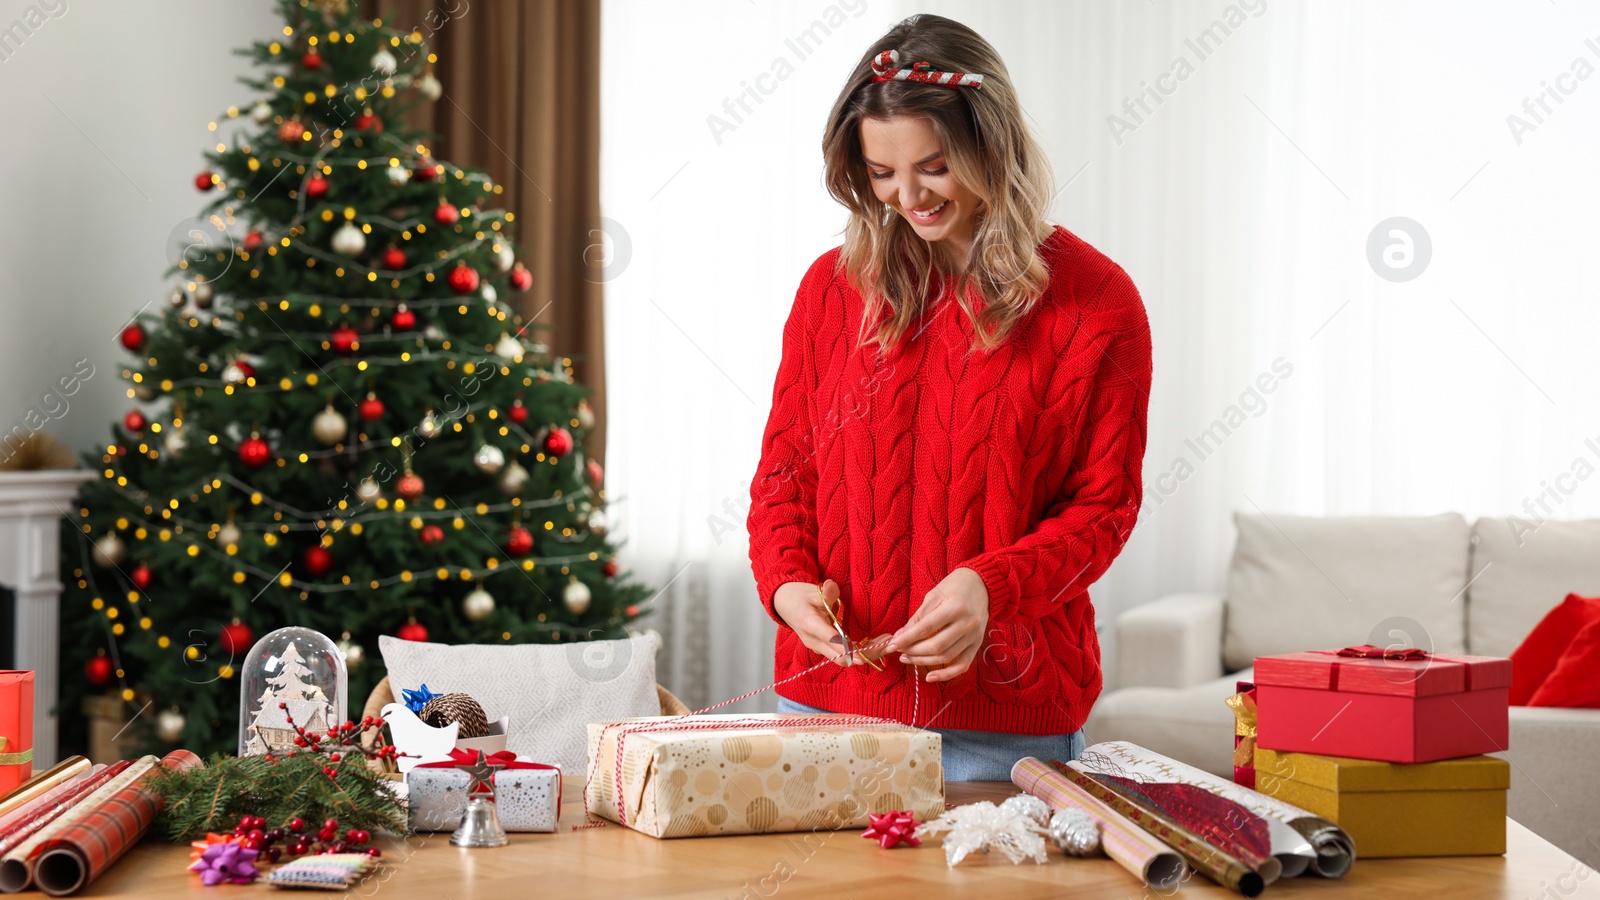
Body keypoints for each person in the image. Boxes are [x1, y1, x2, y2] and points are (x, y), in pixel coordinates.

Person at [746, 14, 1152, 782]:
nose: (907, 197)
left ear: (990, 145)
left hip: (999, 730)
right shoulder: (828, 293)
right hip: (820, 713)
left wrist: (990, 588)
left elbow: (1104, 508)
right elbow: (783, 477)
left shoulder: (1098, 303)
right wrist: (786, 582)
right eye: (880, 174)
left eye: (933, 166)